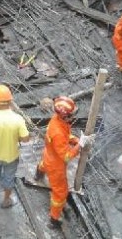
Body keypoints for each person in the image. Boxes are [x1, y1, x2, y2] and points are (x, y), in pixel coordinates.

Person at [34, 96, 93, 228]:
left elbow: (66, 135)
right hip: (56, 165)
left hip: (49, 155)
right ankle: (54, 219)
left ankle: (38, 174)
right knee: (60, 193)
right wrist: (80, 146)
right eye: (71, 115)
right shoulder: (58, 132)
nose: (73, 117)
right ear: (64, 116)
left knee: (44, 164)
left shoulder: (56, 120)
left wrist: (76, 140)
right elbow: (66, 156)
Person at [0, 84, 30, 208]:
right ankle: (6, 200)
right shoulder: (18, 119)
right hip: (11, 156)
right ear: (10, 101)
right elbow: (25, 139)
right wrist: (17, 136)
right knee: (9, 178)